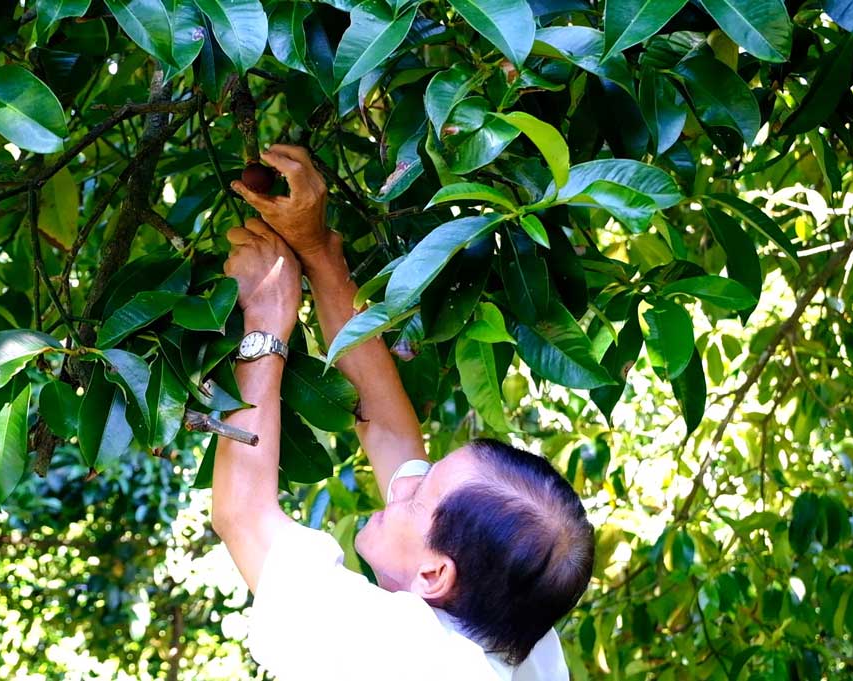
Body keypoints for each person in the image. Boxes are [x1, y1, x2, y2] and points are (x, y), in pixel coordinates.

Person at [211, 144, 595, 681]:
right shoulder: (516, 624)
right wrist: (318, 249)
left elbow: (243, 515)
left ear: (435, 573)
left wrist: (266, 317)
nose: (405, 482)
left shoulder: (407, 660)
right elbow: (391, 431)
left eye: (418, 498)